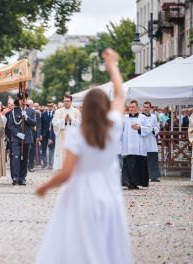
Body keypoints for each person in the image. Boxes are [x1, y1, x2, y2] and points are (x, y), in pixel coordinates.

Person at [35, 49, 132, 264]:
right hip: (108, 190)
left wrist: (44, 187)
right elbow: (120, 95)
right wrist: (112, 65)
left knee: (81, 243)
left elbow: (67, 172)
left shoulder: (78, 134)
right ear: (105, 108)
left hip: (82, 193)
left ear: (84, 108)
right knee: (106, 241)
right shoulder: (113, 125)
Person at [7, 92, 36, 185]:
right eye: (20, 100)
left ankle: (22, 178)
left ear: (26, 100)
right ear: (18, 101)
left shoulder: (31, 111)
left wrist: (26, 117)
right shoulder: (14, 111)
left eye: (24, 99)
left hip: (27, 138)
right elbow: (10, 125)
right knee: (16, 157)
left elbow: (34, 123)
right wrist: (18, 133)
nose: (22, 101)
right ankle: (15, 177)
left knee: (24, 159)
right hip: (16, 139)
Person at [121, 100, 149, 189]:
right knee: (127, 163)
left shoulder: (142, 117)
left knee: (137, 164)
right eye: (130, 107)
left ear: (137, 108)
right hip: (127, 145)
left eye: (133, 107)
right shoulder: (124, 117)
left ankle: (135, 183)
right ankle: (127, 181)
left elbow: (149, 128)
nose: (131, 109)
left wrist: (140, 127)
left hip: (138, 146)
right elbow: (120, 129)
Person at [51, 95, 82, 171]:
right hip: (62, 137)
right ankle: (61, 171)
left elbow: (81, 124)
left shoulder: (76, 112)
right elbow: (54, 123)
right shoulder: (58, 112)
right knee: (61, 156)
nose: (66, 102)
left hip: (73, 138)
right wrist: (63, 120)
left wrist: (71, 120)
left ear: (71, 102)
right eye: (65, 101)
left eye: (68, 101)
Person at [141, 101, 161, 182]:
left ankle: (154, 176)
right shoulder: (140, 116)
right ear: (143, 107)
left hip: (151, 139)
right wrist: (146, 130)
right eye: (144, 107)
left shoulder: (153, 117)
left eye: (147, 107)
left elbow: (157, 126)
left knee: (152, 157)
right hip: (143, 139)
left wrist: (153, 129)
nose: (146, 108)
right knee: (142, 158)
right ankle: (142, 176)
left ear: (150, 108)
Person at [27, 99, 41, 172]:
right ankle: (25, 166)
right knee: (26, 151)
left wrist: (38, 135)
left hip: (34, 134)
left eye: (29, 105)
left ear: (32, 105)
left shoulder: (36, 113)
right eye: (27, 105)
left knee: (32, 151)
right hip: (26, 134)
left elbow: (39, 125)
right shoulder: (24, 112)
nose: (28, 106)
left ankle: (31, 166)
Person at [40, 102, 55, 169]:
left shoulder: (55, 114)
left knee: (51, 148)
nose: (49, 107)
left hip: (52, 134)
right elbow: (41, 125)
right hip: (44, 134)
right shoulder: (43, 114)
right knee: (43, 148)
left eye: (51, 106)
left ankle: (51, 164)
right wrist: (40, 134)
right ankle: (45, 163)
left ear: (53, 106)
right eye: (48, 106)